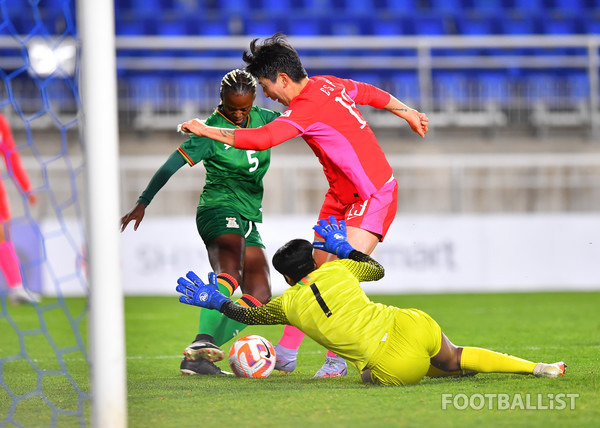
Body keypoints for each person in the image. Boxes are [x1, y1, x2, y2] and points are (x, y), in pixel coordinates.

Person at [179, 33, 430, 377]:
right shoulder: (328, 85)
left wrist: (208, 130)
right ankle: (286, 353)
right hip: (339, 195)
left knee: (337, 276)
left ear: (282, 78)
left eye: (267, 87)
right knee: (309, 276)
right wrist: (408, 112)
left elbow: (263, 138)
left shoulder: (307, 108)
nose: (268, 95)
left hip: (372, 195)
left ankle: (338, 360)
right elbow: (372, 93)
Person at [175, 217, 566, 385]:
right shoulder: (338, 270)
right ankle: (538, 368)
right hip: (410, 323)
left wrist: (216, 302)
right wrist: (345, 249)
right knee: (457, 355)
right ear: (313, 261)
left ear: (286, 277)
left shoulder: (289, 304)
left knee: (367, 376)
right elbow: (377, 271)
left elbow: (254, 317)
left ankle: (448, 370)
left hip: (388, 362)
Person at [120, 69, 280, 375]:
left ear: (253, 102)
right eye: (231, 107)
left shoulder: (266, 119)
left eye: (243, 108)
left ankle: (200, 357)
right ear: (221, 101)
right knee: (229, 272)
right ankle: (203, 339)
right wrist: (143, 202)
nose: (237, 114)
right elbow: (171, 165)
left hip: (248, 216)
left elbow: (301, 124)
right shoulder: (210, 131)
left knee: (259, 296)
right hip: (217, 208)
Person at [0, 113, 38, 305]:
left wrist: (26, 188)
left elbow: (11, 157)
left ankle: (16, 287)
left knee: (3, 234)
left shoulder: (1, 122)